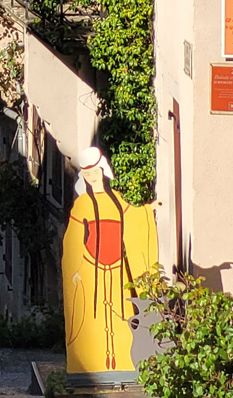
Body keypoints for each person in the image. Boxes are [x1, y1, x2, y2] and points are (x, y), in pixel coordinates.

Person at [61, 147, 158, 383]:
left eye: (95, 171)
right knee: (90, 317)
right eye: (88, 173)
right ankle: (89, 365)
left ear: (102, 170)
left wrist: (148, 210)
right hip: (90, 269)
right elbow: (73, 239)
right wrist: (75, 269)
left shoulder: (118, 201)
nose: (92, 176)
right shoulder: (82, 204)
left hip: (117, 270)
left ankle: (123, 363)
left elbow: (134, 219)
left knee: (121, 315)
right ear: (83, 176)